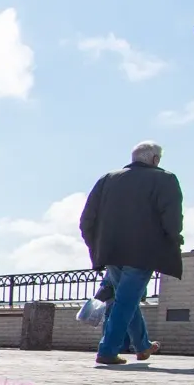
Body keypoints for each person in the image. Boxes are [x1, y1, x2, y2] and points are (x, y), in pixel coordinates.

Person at [78, 140, 183, 366]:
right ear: (155, 159)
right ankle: (107, 350)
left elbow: (87, 219)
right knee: (125, 301)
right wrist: (174, 241)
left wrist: (94, 246)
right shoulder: (165, 179)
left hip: (110, 251)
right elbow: (172, 218)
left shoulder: (107, 179)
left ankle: (143, 346)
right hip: (142, 252)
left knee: (127, 299)